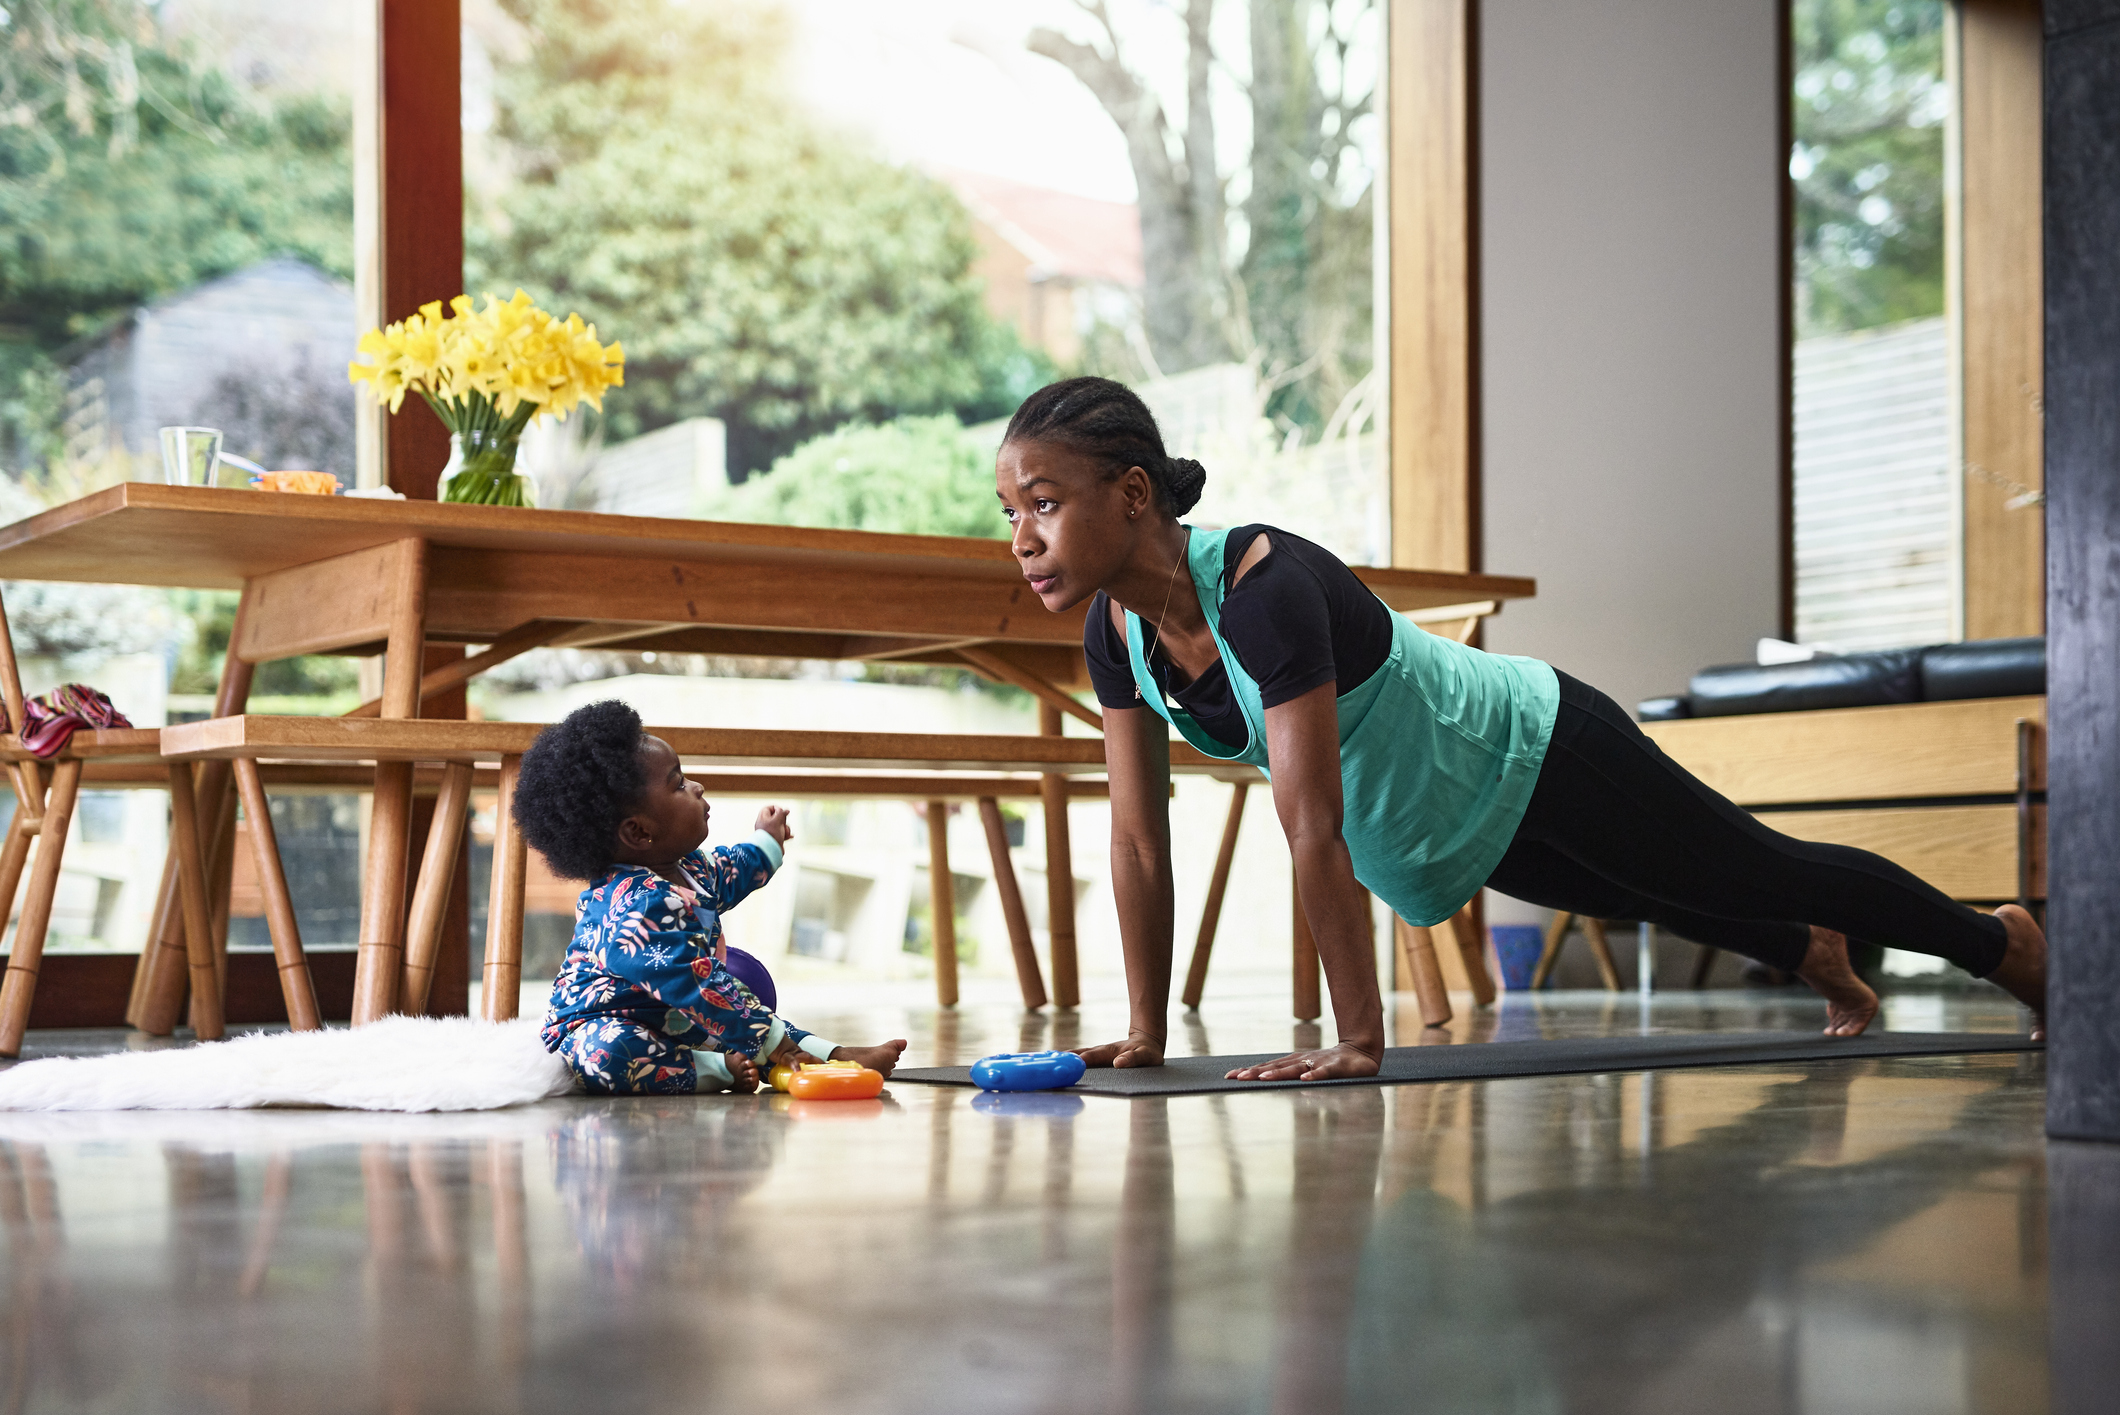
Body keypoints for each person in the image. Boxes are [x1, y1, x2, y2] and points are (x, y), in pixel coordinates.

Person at [994, 377, 2049, 1082]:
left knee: (1756, 862)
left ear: (1132, 494)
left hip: (1531, 742)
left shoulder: (1262, 587)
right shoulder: (1113, 631)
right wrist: (1143, 1029)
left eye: (1040, 502)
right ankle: (1807, 950)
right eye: (1007, 512)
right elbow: (1136, 839)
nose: (1021, 537)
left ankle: (1998, 944)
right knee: (1649, 890)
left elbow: (1311, 827)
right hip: (1444, 808)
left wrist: (1360, 1038)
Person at [518, 700, 906, 1094]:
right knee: (608, 1052)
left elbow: (733, 868)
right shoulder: (632, 908)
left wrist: (766, 841)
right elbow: (697, 987)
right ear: (639, 832)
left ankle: (832, 1054)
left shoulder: (688, 867)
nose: (697, 786)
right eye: (679, 783)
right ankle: (714, 1070)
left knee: (742, 1017)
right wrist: (774, 1045)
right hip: (600, 1025)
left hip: (675, 1019)